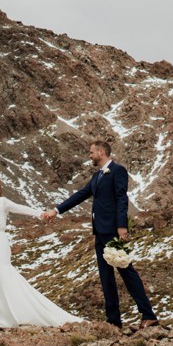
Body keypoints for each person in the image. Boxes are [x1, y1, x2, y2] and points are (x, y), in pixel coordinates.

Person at [43, 140, 159, 331]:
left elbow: (122, 198)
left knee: (127, 272)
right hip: (100, 232)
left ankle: (148, 315)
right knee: (106, 277)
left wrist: (122, 226)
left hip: (113, 231)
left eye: (91, 153)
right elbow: (80, 195)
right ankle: (113, 320)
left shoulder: (117, 171)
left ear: (101, 152)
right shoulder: (97, 176)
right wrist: (56, 210)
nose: (89, 156)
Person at [0, 174, 85, 329]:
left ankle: (13, 314)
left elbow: (21, 208)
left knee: (3, 274)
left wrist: (40, 214)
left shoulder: (2, 202)